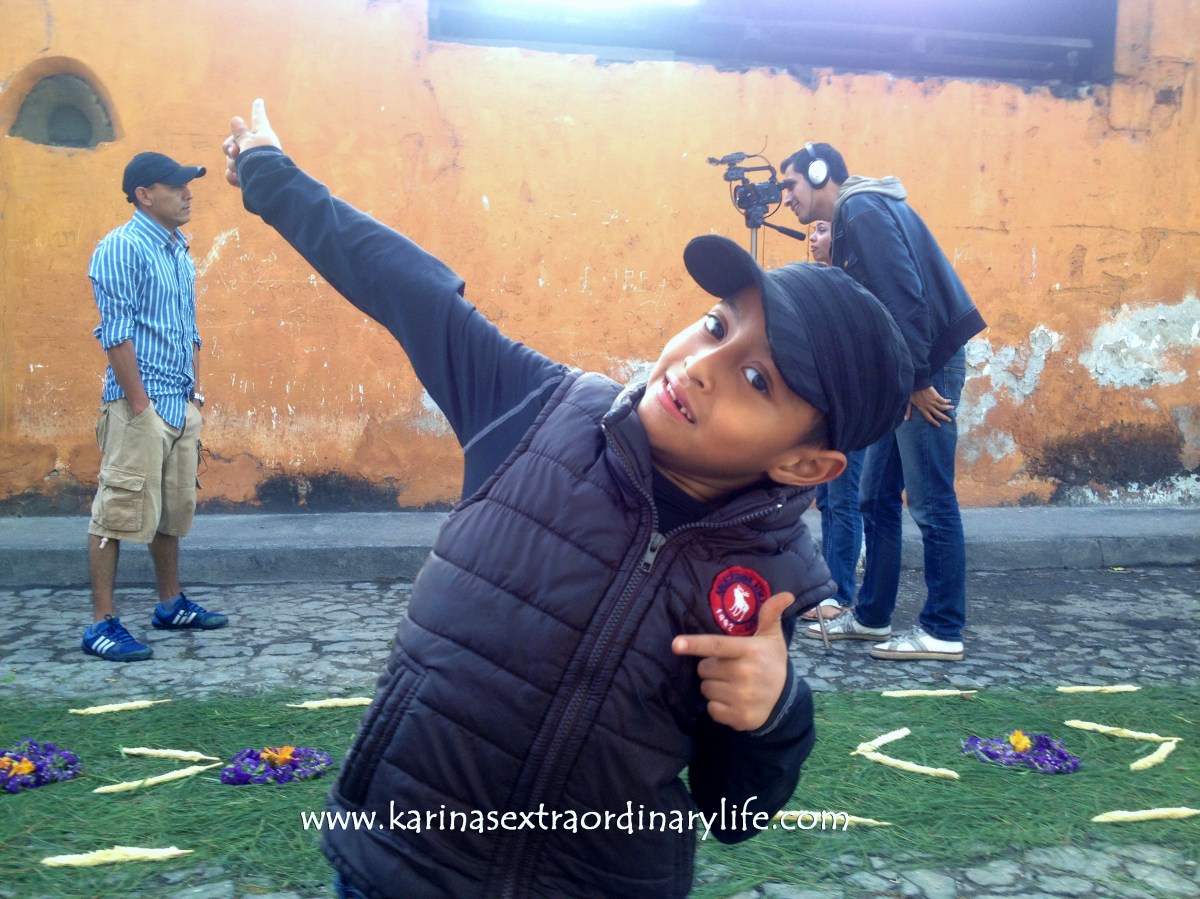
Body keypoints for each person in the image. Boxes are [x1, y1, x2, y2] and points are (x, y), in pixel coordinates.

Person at [223, 99, 912, 898]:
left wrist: (772, 714)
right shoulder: (539, 406)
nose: (700, 367)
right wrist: (275, 178)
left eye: (758, 379)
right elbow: (408, 290)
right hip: (402, 862)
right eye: (717, 326)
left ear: (805, 464)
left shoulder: (773, 582)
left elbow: (734, 807)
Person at [780, 142, 986, 662]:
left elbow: (904, 297)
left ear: (821, 174)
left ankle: (942, 628)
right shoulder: (856, 216)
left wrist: (917, 379)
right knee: (874, 497)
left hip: (927, 366)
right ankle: (872, 618)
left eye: (791, 185)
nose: (785, 199)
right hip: (911, 369)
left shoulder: (861, 209)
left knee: (931, 500)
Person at [81, 152, 228, 663]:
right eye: (176, 186)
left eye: (188, 185)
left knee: (168, 509)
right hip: (136, 406)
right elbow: (116, 334)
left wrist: (192, 398)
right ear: (145, 194)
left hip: (179, 402)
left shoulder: (177, 250)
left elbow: (185, 328)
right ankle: (101, 624)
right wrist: (141, 407)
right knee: (117, 511)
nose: (188, 193)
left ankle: (170, 604)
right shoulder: (121, 248)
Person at [799, 219, 865, 623]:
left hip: (853, 405)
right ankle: (829, 586)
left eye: (822, 229)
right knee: (826, 498)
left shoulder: (853, 285)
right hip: (826, 407)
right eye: (812, 231)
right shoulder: (821, 282)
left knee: (843, 497)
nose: (813, 237)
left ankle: (840, 592)